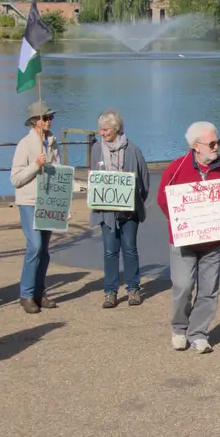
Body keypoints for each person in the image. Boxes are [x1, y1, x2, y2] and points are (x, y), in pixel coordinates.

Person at [157, 121, 220, 353]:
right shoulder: (176, 168)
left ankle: (199, 333)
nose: (216, 147)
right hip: (185, 240)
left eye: (218, 142)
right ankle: (179, 328)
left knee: (209, 289)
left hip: (212, 242)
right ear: (195, 146)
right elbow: (162, 199)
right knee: (183, 286)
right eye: (212, 143)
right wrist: (183, 222)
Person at [91, 110, 150, 309]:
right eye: (100, 129)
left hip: (129, 210)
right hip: (106, 211)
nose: (102, 132)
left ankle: (133, 289)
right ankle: (110, 292)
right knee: (109, 251)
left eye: (105, 129)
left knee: (130, 249)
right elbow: (94, 177)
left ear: (115, 128)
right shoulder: (96, 149)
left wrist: (135, 201)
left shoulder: (133, 149)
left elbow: (144, 180)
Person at [11, 99, 60, 314]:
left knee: (45, 250)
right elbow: (15, 178)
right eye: (45, 117)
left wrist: (62, 203)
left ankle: (40, 292)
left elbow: (58, 172)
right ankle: (26, 294)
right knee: (35, 246)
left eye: (50, 117)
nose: (49, 121)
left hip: (48, 200)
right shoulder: (25, 144)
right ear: (34, 122)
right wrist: (35, 165)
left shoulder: (52, 141)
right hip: (29, 201)